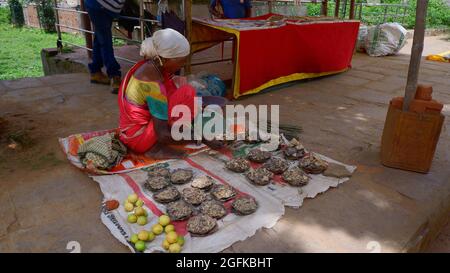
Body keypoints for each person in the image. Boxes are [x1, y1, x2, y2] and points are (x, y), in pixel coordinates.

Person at [118, 28, 199, 158]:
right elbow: (162, 134)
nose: (183, 65)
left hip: (128, 131)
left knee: (185, 90)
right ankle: (154, 148)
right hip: (138, 139)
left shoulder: (150, 64)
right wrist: (200, 138)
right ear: (166, 59)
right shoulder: (151, 83)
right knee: (187, 92)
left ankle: (178, 132)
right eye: (181, 61)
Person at [84, 0, 124, 93]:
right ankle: (114, 75)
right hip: (100, 5)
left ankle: (95, 71)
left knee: (100, 37)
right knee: (105, 41)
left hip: (101, 6)